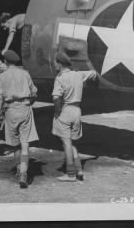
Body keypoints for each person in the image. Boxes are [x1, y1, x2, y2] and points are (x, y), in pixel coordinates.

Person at [0, 50, 39, 188]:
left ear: (6, 61)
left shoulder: (2, 76)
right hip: (25, 108)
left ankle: (19, 169)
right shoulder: (25, 73)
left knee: (15, 144)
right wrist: (30, 103)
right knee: (25, 143)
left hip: (10, 111)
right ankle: (24, 174)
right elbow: (34, 92)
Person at [52, 51, 97, 182]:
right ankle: (79, 170)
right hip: (77, 111)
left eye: (56, 62)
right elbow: (93, 73)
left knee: (66, 143)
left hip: (65, 110)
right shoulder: (78, 75)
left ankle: (70, 174)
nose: (54, 64)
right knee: (71, 142)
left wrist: (58, 109)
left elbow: (55, 97)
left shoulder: (60, 78)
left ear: (60, 64)